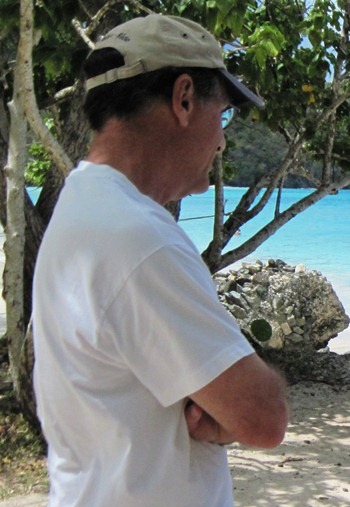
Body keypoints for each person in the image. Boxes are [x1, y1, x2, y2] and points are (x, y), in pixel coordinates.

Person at [31, 14, 289, 507]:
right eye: (225, 114)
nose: (222, 140)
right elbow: (263, 416)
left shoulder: (82, 208)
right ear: (185, 98)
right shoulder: (139, 239)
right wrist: (232, 406)